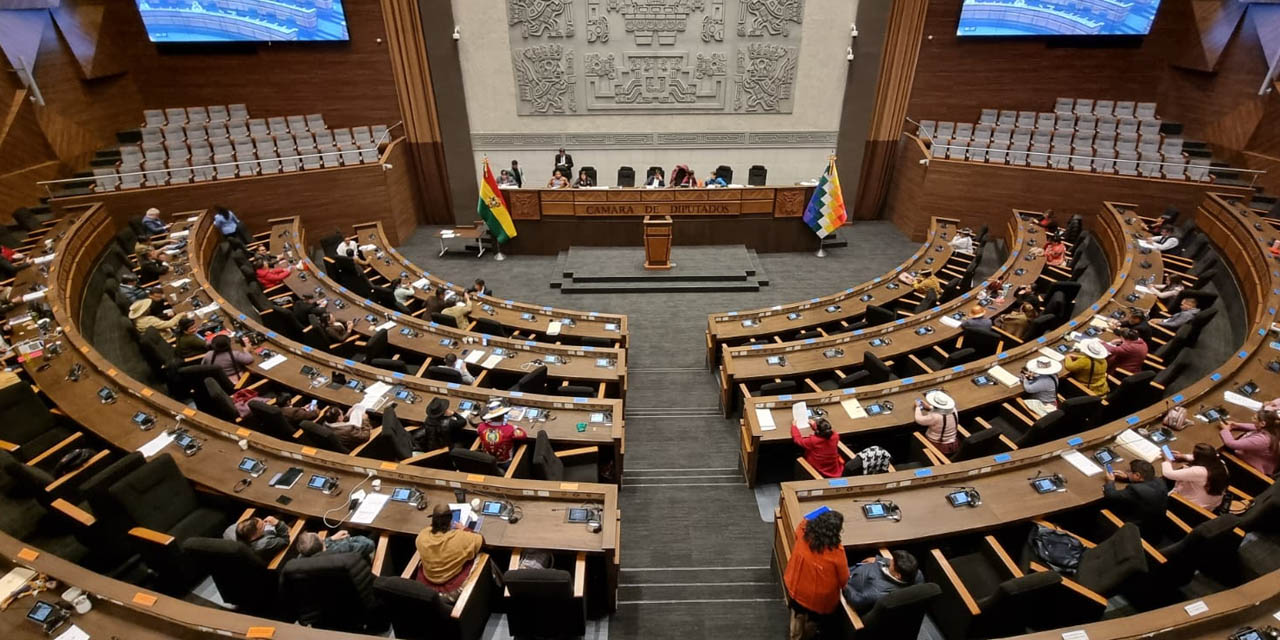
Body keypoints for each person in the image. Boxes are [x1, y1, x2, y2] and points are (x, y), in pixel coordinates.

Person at [782, 510, 848, 639]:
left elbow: (804, 520)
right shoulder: (836, 551)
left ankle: (795, 636)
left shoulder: (802, 534)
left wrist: (822, 511)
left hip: (797, 589)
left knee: (797, 617)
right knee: (812, 622)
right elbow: (844, 579)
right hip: (819, 599)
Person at [415, 504, 484, 595]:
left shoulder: (422, 535)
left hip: (428, 579)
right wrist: (464, 529)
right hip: (451, 583)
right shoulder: (461, 537)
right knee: (481, 554)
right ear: (450, 521)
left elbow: (430, 529)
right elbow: (481, 541)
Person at [843, 550, 924, 614]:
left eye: (892, 563)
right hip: (861, 568)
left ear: (898, 576)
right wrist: (879, 560)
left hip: (849, 581)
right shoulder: (916, 573)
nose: (890, 561)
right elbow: (893, 563)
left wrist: (843, 584)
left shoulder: (878, 592)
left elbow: (857, 600)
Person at [1102, 460, 1169, 531]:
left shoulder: (1136, 490)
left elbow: (1111, 495)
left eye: (1129, 471)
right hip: (1156, 527)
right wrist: (1128, 478)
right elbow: (1144, 483)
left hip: (1138, 531)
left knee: (1101, 509)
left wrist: (1110, 481)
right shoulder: (1160, 481)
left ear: (1137, 475)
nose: (1127, 472)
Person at [1163, 442, 1230, 512]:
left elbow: (1168, 474)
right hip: (1211, 503)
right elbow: (1202, 458)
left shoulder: (1200, 472)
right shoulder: (1220, 463)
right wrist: (1183, 456)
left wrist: (1167, 461)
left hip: (1192, 507)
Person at [1220, 408, 1280, 476]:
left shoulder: (1263, 440)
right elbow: (1254, 426)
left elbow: (1231, 443)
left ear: (1263, 423)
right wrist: (1236, 425)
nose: (1252, 419)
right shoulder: (1273, 430)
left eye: (1254, 418)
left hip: (1249, 469)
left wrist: (1225, 430)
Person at [915, 390, 960, 456]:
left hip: (938, 445)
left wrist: (918, 407)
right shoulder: (954, 409)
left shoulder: (935, 416)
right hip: (954, 442)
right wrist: (929, 407)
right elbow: (942, 411)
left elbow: (919, 419)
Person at [225, 516, 290, 560]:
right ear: (253, 537)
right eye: (262, 526)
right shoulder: (264, 544)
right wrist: (278, 523)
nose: (264, 524)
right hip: (274, 544)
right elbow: (285, 540)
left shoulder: (230, 530)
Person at [295, 530, 375, 559]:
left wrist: (331, 538)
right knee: (375, 534)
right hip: (360, 560)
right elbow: (370, 545)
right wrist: (349, 539)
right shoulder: (342, 548)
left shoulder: (302, 557)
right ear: (322, 542)